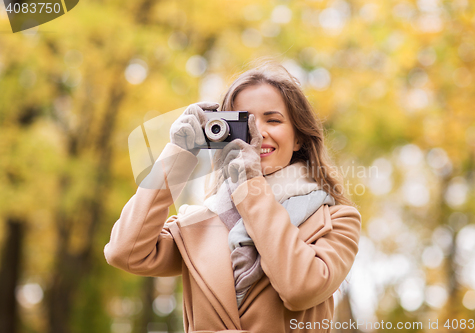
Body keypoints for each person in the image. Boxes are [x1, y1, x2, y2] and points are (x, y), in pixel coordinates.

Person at [104, 60, 361, 333]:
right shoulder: (198, 224)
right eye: (244, 121)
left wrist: (250, 187)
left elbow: (300, 289)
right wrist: (177, 156)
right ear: (222, 133)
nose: (258, 133)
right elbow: (125, 252)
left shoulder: (336, 220)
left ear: (298, 138)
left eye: (273, 120)